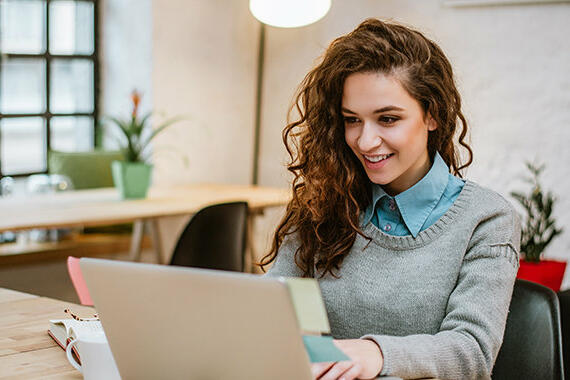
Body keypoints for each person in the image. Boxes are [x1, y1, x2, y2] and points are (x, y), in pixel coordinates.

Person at [260, 18, 520, 380]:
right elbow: (281, 309)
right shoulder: (324, 201)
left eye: (388, 119)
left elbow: (471, 351)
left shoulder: (485, 219)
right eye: (352, 120)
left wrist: (374, 353)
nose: (365, 142)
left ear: (432, 115)